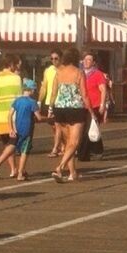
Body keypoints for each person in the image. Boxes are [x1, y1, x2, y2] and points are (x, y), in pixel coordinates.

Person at [49, 46, 89, 181]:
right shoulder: (79, 72)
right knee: (75, 142)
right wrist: (91, 111)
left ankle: (72, 173)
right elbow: (84, 94)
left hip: (60, 109)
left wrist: (50, 108)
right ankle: (60, 167)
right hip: (75, 109)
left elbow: (54, 93)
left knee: (67, 143)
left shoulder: (58, 73)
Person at [0, 54, 23, 178]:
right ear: (12, 64)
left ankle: (13, 169)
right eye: (17, 65)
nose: (18, 67)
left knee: (7, 144)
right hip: (12, 116)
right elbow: (19, 99)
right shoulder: (16, 78)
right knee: (14, 142)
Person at [79, 52, 109, 162]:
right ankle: (98, 150)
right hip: (82, 105)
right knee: (90, 129)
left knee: (88, 129)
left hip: (94, 105)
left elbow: (103, 90)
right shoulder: (80, 74)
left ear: (93, 63)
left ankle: (83, 155)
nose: (86, 62)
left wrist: (102, 105)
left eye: (89, 60)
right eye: (85, 60)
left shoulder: (98, 74)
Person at [38, 51, 63, 160]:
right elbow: (44, 86)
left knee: (58, 126)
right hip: (49, 101)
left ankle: (55, 149)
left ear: (61, 58)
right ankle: (62, 145)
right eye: (51, 59)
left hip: (60, 102)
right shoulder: (48, 70)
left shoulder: (64, 70)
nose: (53, 61)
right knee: (54, 127)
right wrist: (39, 101)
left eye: (56, 58)